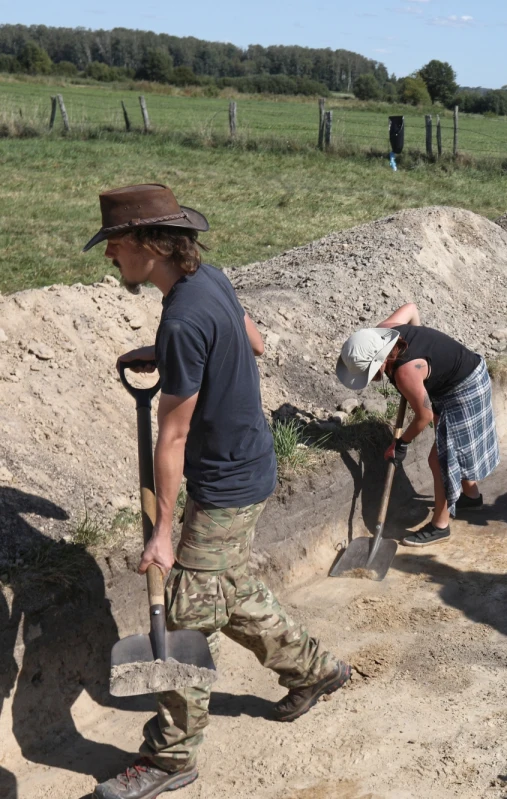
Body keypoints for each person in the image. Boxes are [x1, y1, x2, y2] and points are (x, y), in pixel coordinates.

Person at [88, 185, 350, 799]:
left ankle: (171, 758)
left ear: (150, 246)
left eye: (117, 244)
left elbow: (172, 437)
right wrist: (174, 356)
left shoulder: (183, 316)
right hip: (250, 464)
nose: (111, 258)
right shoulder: (209, 282)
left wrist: (161, 535)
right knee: (224, 590)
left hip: (225, 481)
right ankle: (315, 670)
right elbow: (250, 341)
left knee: (183, 610)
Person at [337, 303, 499, 547]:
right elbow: (411, 309)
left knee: (440, 459)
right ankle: (471, 497)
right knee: (451, 447)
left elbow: (423, 416)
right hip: (452, 380)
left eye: (371, 371)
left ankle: (440, 526)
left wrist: (401, 443)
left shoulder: (405, 373)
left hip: (466, 388)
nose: (372, 378)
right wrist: (422, 355)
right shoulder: (385, 331)